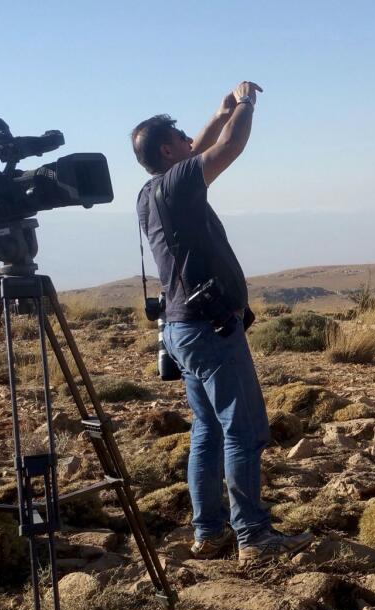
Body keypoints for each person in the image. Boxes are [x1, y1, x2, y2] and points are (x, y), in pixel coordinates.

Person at [131, 81, 312, 563]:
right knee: (244, 429)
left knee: (207, 429)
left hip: (180, 329)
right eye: (182, 136)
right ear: (169, 150)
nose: (193, 139)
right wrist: (248, 104)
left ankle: (209, 533)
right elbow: (228, 146)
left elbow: (207, 141)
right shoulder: (177, 184)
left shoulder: (151, 192)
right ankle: (254, 536)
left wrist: (220, 109)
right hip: (209, 330)